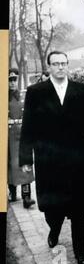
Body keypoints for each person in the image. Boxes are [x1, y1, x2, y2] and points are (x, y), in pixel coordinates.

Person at [19, 51, 84, 264]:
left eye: (64, 63)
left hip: (77, 161)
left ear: (68, 65)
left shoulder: (81, 91)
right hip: (50, 161)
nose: (61, 67)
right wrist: (26, 158)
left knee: (79, 209)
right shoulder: (36, 92)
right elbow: (28, 127)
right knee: (53, 208)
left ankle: (80, 252)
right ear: (49, 67)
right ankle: (54, 229)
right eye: (56, 64)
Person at [8, 68, 35, 208]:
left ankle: (27, 197)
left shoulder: (23, 95)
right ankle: (12, 194)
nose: (12, 83)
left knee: (25, 163)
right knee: (10, 165)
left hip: (22, 133)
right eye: (9, 80)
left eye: (14, 80)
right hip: (8, 135)